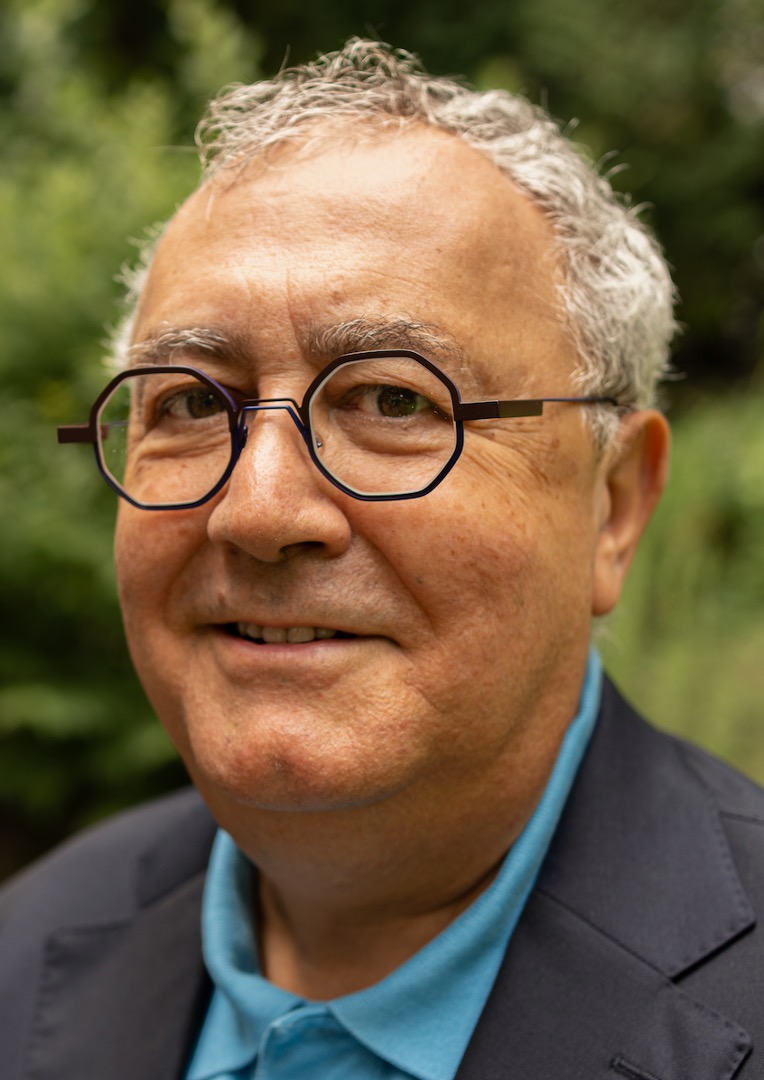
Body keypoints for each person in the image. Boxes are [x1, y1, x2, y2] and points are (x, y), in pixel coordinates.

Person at [2, 37, 763, 1080]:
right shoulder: (24, 951)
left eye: (392, 399)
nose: (258, 508)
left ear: (614, 505)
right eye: (189, 405)